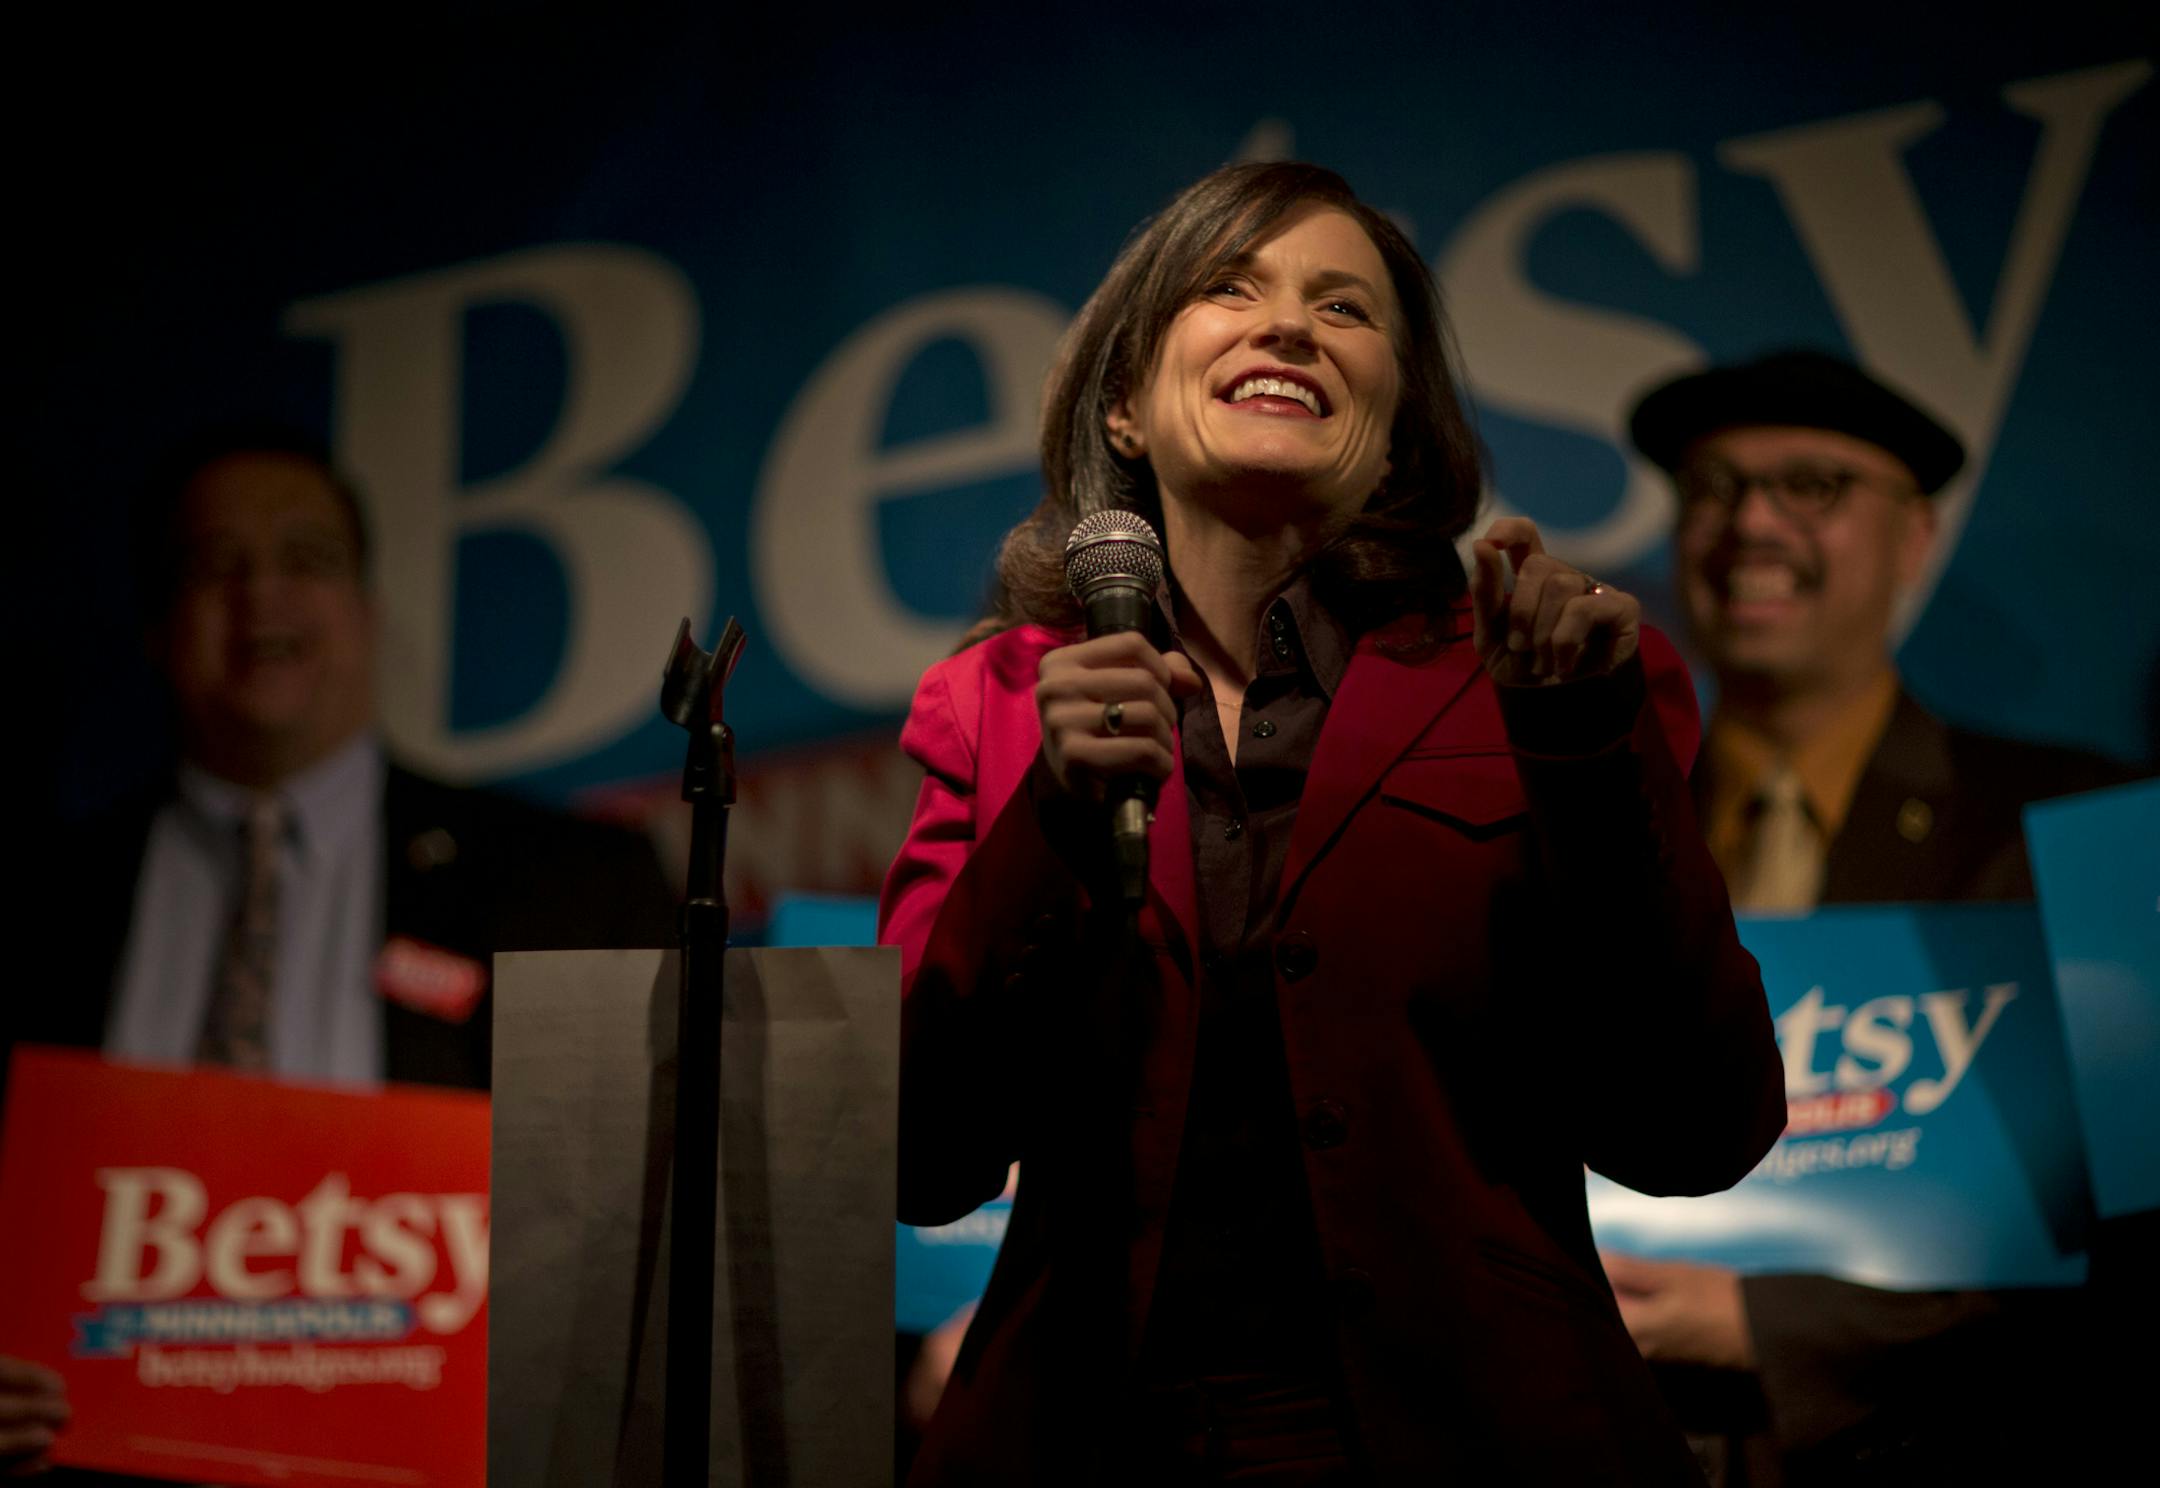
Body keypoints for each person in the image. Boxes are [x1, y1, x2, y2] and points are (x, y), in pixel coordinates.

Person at [879, 161, 1786, 1485]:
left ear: (1400, 420)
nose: (1291, 325)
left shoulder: (1546, 676)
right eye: (1227, 287)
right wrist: (1050, 832)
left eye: (1345, 308)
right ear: (1126, 402)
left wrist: (1583, 752)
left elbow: (1696, 1130)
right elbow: (912, 1156)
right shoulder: (995, 706)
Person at [0, 427, 674, 1476]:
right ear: (155, 629)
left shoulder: (571, 883)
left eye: (304, 561)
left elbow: (665, 1243)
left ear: (366, 609)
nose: (261, 595)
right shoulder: (30, 906)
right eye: (216, 567)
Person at [1607, 350, 2133, 1483]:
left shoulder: (2088, 831)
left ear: (1917, 538)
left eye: (1813, 486)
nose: (1751, 523)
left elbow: (2135, 1241)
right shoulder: (1589, 841)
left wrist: (1772, 1327)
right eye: (1713, 487)